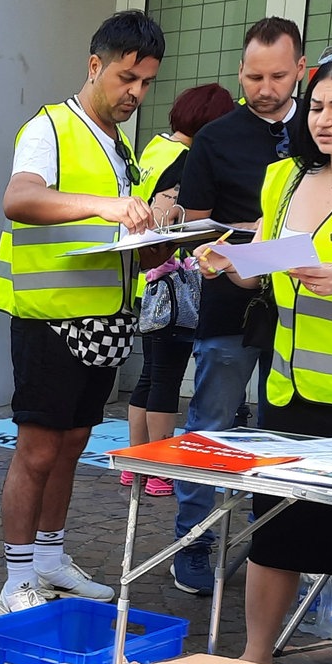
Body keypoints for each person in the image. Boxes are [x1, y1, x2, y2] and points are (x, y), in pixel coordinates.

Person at [195, 47, 332, 663]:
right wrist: (230, 262)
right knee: (275, 536)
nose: (323, 120)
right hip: (288, 396)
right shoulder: (285, 177)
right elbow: (265, 267)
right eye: (317, 106)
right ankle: (255, 661)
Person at [0, 10, 165, 614]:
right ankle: (17, 577)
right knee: (38, 448)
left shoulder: (121, 147)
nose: (135, 94)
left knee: (72, 445)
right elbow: (20, 197)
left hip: (105, 319)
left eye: (146, 84)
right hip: (49, 316)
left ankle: (50, 558)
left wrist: (161, 237)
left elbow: (116, 229)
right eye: (126, 78)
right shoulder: (50, 127)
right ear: (95, 66)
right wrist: (110, 205)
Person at [171, 17, 307, 595]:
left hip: (304, 312)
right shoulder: (216, 138)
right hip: (231, 306)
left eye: (278, 75)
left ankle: (274, 549)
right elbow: (191, 227)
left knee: (285, 437)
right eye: (254, 76)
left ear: (301, 70)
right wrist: (243, 235)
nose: (265, 88)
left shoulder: (326, 129)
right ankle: (193, 544)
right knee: (211, 426)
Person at [123, 82, 236, 496]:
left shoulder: (153, 150)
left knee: (150, 374)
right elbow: (173, 218)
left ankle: (135, 461)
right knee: (167, 377)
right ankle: (159, 470)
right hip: (173, 281)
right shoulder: (189, 160)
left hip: (144, 280)